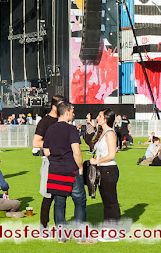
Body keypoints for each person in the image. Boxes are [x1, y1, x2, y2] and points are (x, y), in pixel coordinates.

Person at [43, 102, 95, 244]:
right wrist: (80, 168)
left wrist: (55, 159)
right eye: (72, 111)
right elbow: (77, 152)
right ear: (66, 112)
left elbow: (46, 150)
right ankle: (81, 237)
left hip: (55, 171)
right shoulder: (71, 129)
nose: (73, 113)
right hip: (70, 170)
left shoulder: (50, 130)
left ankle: (62, 236)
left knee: (59, 203)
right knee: (79, 202)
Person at [32, 95, 65, 229]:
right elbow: (35, 142)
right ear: (54, 107)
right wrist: (52, 145)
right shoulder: (45, 121)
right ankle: (43, 227)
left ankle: (60, 227)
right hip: (50, 162)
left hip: (63, 162)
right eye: (62, 105)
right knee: (48, 196)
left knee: (61, 197)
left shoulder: (63, 120)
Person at [89, 109, 120, 241]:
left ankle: (114, 233)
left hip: (109, 170)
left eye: (100, 116)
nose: (97, 117)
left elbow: (112, 155)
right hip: (102, 170)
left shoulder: (110, 133)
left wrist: (97, 161)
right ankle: (108, 229)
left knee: (111, 201)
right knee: (106, 201)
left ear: (106, 118)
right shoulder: (101, 133)